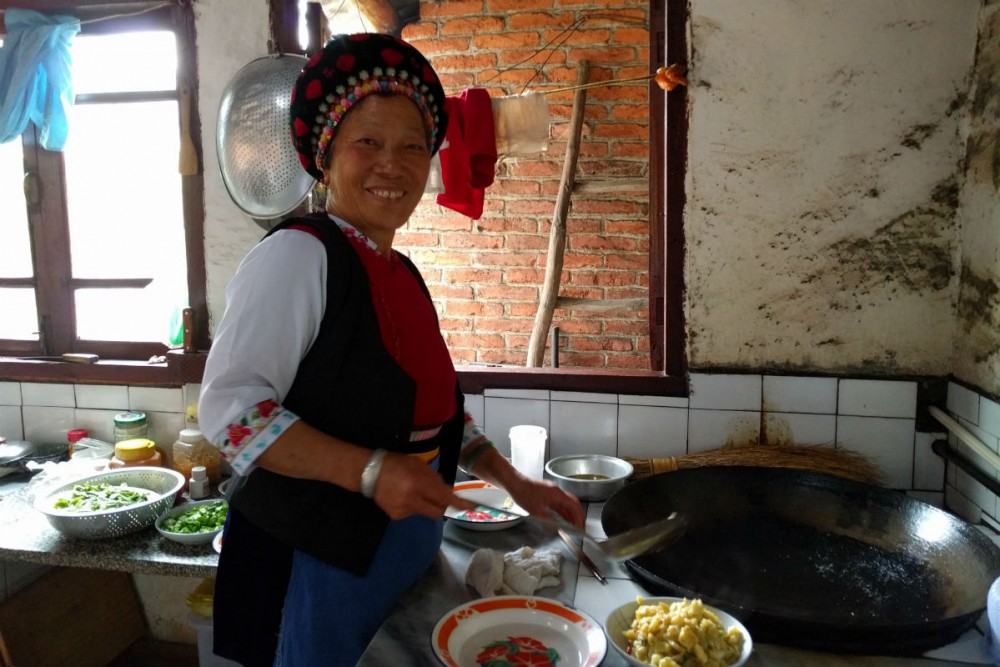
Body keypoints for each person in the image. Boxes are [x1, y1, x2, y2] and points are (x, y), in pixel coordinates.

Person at [198, 32, 585, 667]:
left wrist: (518, 484)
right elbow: (232, 419)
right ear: (326, 157)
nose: (393, 164)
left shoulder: (400, 271)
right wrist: (371, 471)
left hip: (395, 552)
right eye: (368, 142)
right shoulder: (299, 256)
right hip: (316, 560)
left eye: (412, 146)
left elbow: (436, 417)